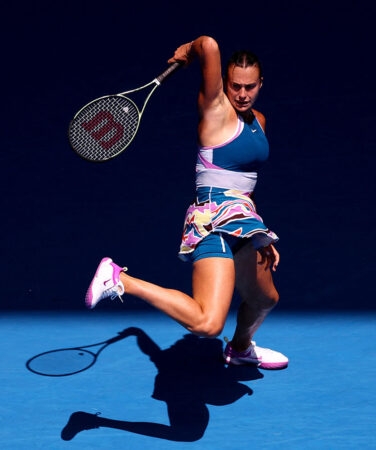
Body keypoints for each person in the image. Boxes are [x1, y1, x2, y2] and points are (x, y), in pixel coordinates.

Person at [85, 35, 288, 370]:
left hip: (241, 220)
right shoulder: (215, 109)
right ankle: (120, 278)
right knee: (208, 324)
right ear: (224, 82)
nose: (242, 94)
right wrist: (188, 50)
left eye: (250, 87)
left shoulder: (259, 122)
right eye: (235, 85)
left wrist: (255, 230)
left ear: (260, 84)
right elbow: (208, 44)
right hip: (211, 223)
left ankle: (239, 350)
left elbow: (242, 186)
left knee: (265, 298)